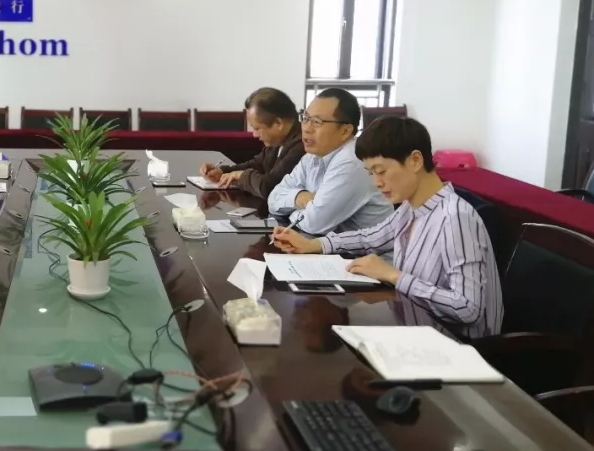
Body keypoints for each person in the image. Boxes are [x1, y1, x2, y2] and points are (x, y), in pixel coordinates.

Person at [273, 116, 503, 338]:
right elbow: (371, 238)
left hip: (458, 345)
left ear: (415, 160)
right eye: (371, 173)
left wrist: (393, 275)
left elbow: (468, 308)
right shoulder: (410, 208)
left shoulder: (455, 217)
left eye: (381, 171)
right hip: (418, 329)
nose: (377, 182)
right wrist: (314, 245)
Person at [268, 88, 393, 235]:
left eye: (317, 122)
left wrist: (291, 213)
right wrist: (300, 198)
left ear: (345, 131)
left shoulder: (353, 162)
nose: (307, 128)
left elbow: (313, 224)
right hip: (328, 245)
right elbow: (273, 199)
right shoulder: (312, 156)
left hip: (366, 250)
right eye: (305, 118)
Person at [198, 87, 304, 199]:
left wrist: (242, 176)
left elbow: (270, 188)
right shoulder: (279, 140)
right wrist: (223, 171)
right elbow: (257, 164)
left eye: (257, 128)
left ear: (278, 123)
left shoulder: (302, 145)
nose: (254, 135)